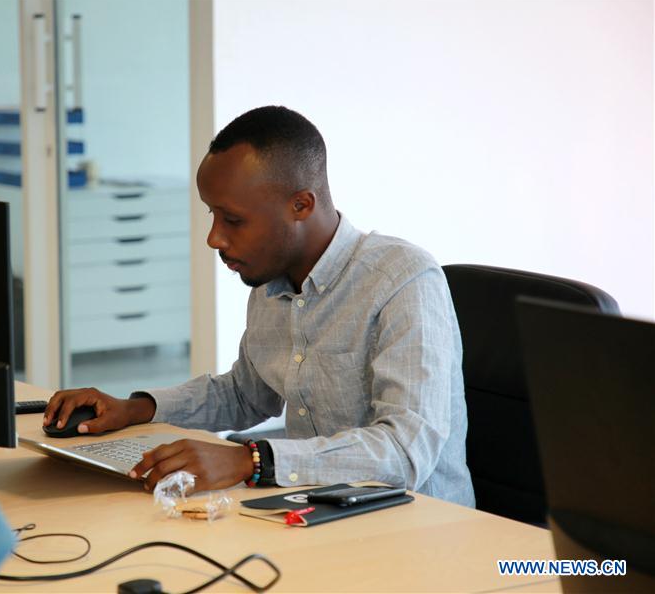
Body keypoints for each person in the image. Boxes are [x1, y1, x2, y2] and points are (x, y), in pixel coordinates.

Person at [44, 106, 475, 507]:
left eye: (233, 220)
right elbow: (246, 394)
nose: (214, 238)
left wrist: (252, 460)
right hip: (317, 509)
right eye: (212, 215)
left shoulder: (402, 280)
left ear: (301, 205)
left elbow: (404, 451)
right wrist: (135, 409)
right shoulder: (272, 277)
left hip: (422, 528)